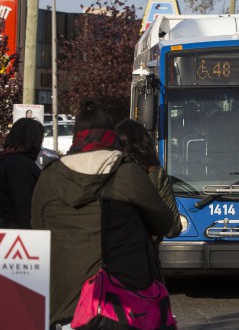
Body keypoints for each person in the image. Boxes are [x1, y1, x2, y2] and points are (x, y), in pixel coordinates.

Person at [31, 99, 174, 329]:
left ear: (76, 137)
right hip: (121, 304)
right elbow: (164, 222)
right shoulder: (127, 172)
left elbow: (37, 233)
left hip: (67, 304)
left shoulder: (49, 177)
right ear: (111, 137)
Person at [115, 118, 182, 247]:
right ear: (146, 144)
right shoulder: (156, 174)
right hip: (143, 255)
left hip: (110, 257)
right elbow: (173, 229)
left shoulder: (104, 172)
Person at [0, 118, 44, 228]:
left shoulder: (7, 159)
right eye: (40, 140)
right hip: (16, 233)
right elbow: (24, 204)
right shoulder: (20, 165)